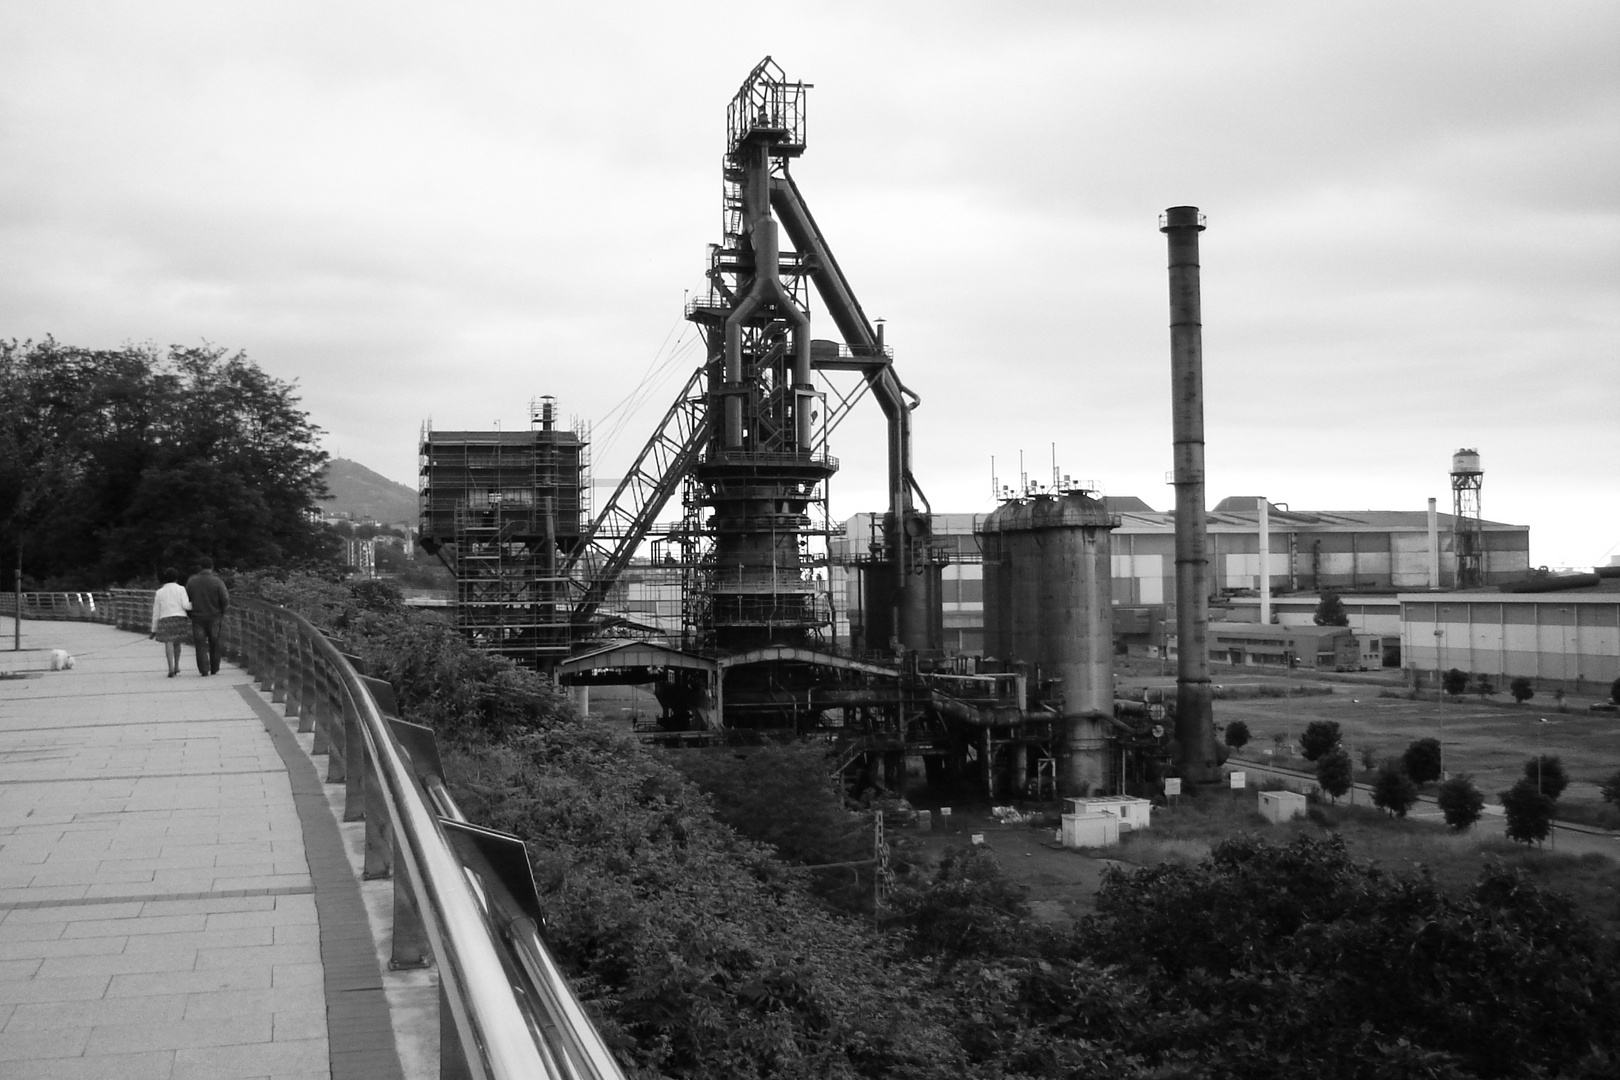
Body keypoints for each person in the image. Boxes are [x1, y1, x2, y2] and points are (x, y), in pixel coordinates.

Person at [185, 556, 230, 676]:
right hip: (214, 616)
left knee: (200, 644)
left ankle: (204, 669)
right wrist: (222, 612)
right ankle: (214, 667)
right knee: (214, 642)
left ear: (200, 567)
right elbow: (225, 599)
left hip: (197, 617)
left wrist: (190, 614)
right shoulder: (217, 582)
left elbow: (186, 599)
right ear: (212, 567)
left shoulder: (192, 581)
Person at [149, 567, 192, 677]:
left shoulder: (159, 592)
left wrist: (153, 630)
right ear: (176, 578)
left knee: (169, 643)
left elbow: (156, 612)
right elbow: (186, 605)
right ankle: (177, 665)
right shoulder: (181, 589)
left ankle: (170, 668)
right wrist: (195, 604)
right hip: (179, 617)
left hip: (165, 618)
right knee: (177, 643)